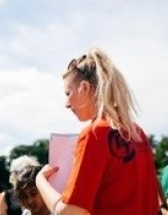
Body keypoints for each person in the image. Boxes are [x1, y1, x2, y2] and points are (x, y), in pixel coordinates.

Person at [36, 47, 159, 215]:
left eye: (68, 93)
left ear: (84, 87)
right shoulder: (137, 132)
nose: (66, 103)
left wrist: (40, 181)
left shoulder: (93, 134)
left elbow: (69, 212)